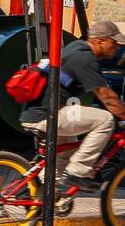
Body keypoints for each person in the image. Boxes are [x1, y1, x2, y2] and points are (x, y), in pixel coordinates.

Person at [20, 20, 125, 194]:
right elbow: (107, 98)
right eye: (114, 44)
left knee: (67, 154)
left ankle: (39, 196)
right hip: (48, 114)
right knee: (105, 120)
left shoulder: (77, 47)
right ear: (101, 41)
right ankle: (78, 174)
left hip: (41, 112)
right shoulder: (85, 58)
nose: (116, 49)